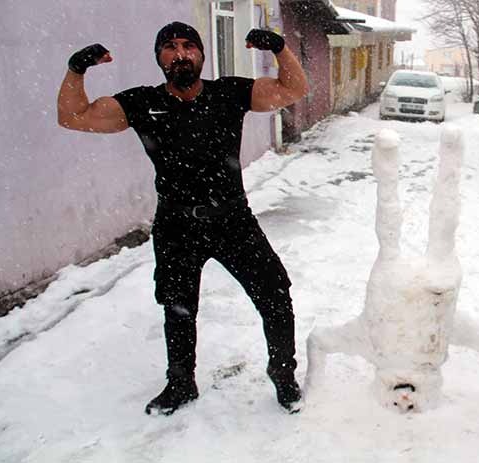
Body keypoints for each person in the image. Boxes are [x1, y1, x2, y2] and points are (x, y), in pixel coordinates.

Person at [57, 22, 309, 415]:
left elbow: (293, 89)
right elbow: (73, 116)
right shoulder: (142, 103)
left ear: (201, 55)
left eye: (189, 46)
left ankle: (283, 373)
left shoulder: (229, 93)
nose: (180, 54)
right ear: (159, 58)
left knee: (275, 293)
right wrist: (77, 68)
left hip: (232, 219)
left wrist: (279, 48)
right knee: (178, 308)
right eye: (170, 47)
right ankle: (181, 383)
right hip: (176, 225)